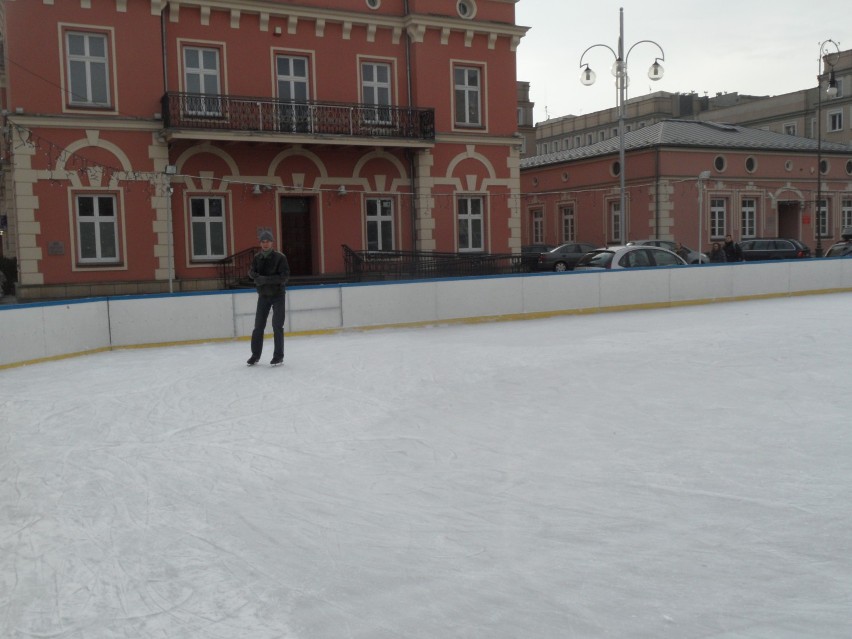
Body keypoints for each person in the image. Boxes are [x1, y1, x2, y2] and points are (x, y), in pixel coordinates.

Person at [247, 230, 290, 366]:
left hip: (278, 295)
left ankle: (278, 356)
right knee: (258, 326)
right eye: (263, 241)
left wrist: (265, 280)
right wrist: (253, 275)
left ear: (272, 242)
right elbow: (252, 271)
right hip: (263, 296)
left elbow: (284, 277)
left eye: (267, 241)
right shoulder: (257, 258)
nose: (265, 244)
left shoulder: (280, 257)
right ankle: (255, 355)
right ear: (260, 243)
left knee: (277, 325)